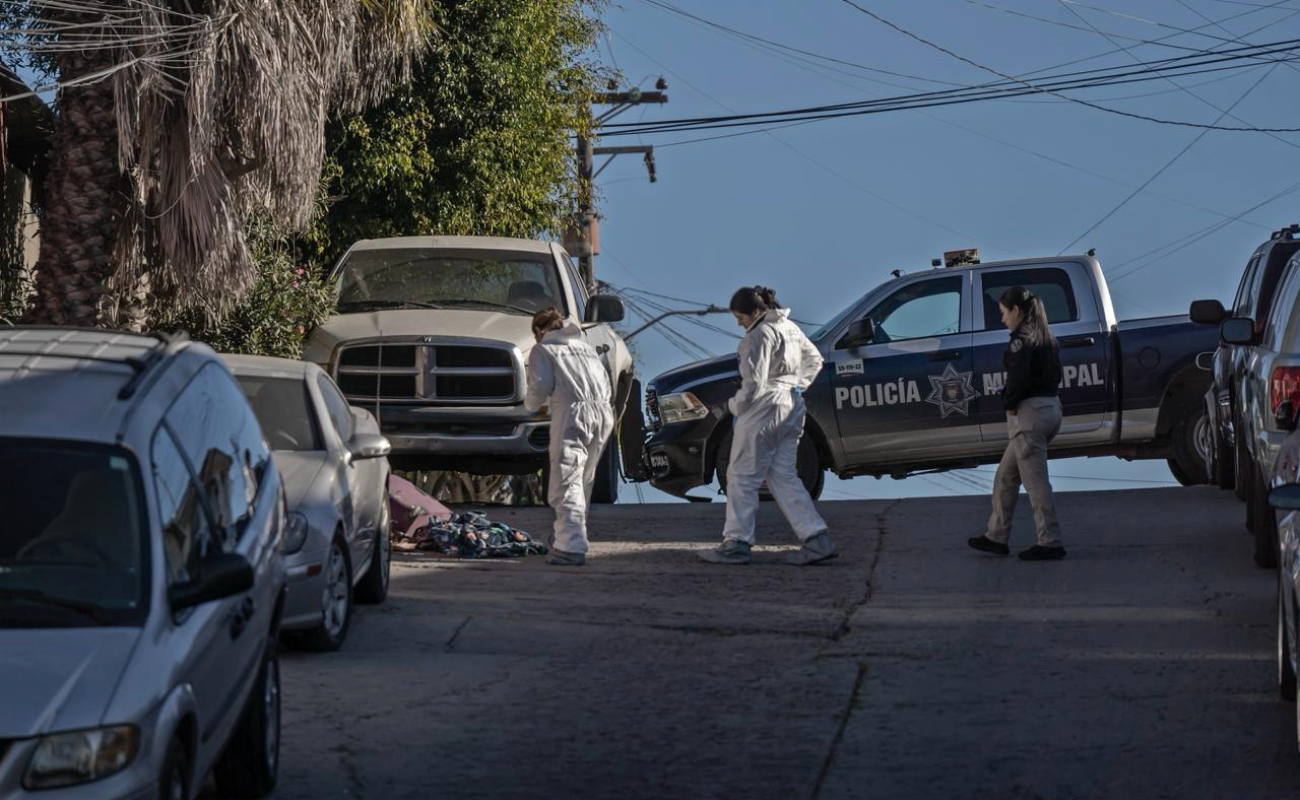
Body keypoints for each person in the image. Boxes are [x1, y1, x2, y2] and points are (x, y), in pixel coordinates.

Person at [699, 286, 837, 566]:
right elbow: (815, 360)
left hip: (763, 408)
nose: (739, 323)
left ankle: (736, 542)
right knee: (784, 476)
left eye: (740, 317)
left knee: (740, 476)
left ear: (756, 312)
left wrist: (735, 406)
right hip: (792, 405)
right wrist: (798, 385)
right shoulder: (790, 328)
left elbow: (754, 384)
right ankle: (817, 538)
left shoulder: (758, 335)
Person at [968, 286, 1066, 561]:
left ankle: (1050, 541)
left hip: (1030, 416)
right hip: (1050, 409)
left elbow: (1018, 380)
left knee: (1036, 483)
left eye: (1004, 313)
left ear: (1016, 311)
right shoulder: (1046, 336)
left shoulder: (1021, 340)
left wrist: (1009, 402)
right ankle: (996, 537)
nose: (1002, 320)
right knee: (1005, 477)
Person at [524, 307, 615, 567]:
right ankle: (565, 535)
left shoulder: (544, 349)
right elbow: (605, 381)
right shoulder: (585, 348)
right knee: (584, 479)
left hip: (572, 414)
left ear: (539, 331)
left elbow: (541, 386)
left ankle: (570, 546)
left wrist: (531, 406)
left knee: (566, 482)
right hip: (602, 413)